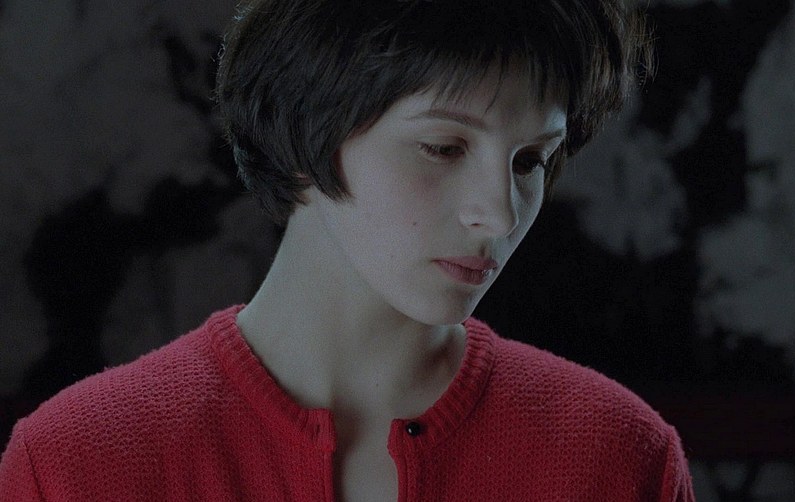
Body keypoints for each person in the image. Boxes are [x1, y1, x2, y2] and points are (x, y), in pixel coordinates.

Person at [1, 0, 695, 500]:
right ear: (304, 133)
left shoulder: (615, 457)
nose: (498, 212)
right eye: (442, 147)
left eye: (529, 160)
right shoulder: (77, 465)